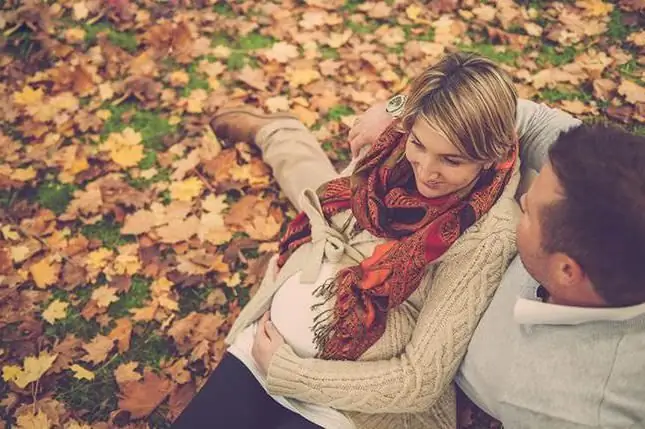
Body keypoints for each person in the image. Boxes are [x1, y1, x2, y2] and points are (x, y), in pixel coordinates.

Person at [173, 52, 522, 429]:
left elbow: (420, 380)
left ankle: (278, 133)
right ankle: (277, 132)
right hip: (263, 354)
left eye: (451, 161)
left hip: (350, 412)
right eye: (418, 144)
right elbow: (328, 213)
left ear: (492, 155)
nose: (426, 170)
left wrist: (290, 372)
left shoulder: (487, 234)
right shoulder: (391, 148)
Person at [351, 101, 645, 427]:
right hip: (420, 248)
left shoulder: (583, 413)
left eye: (530, 213)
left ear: (566, 271)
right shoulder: (598, 175)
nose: (522, 200)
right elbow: (521, 116)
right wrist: (404, 110)